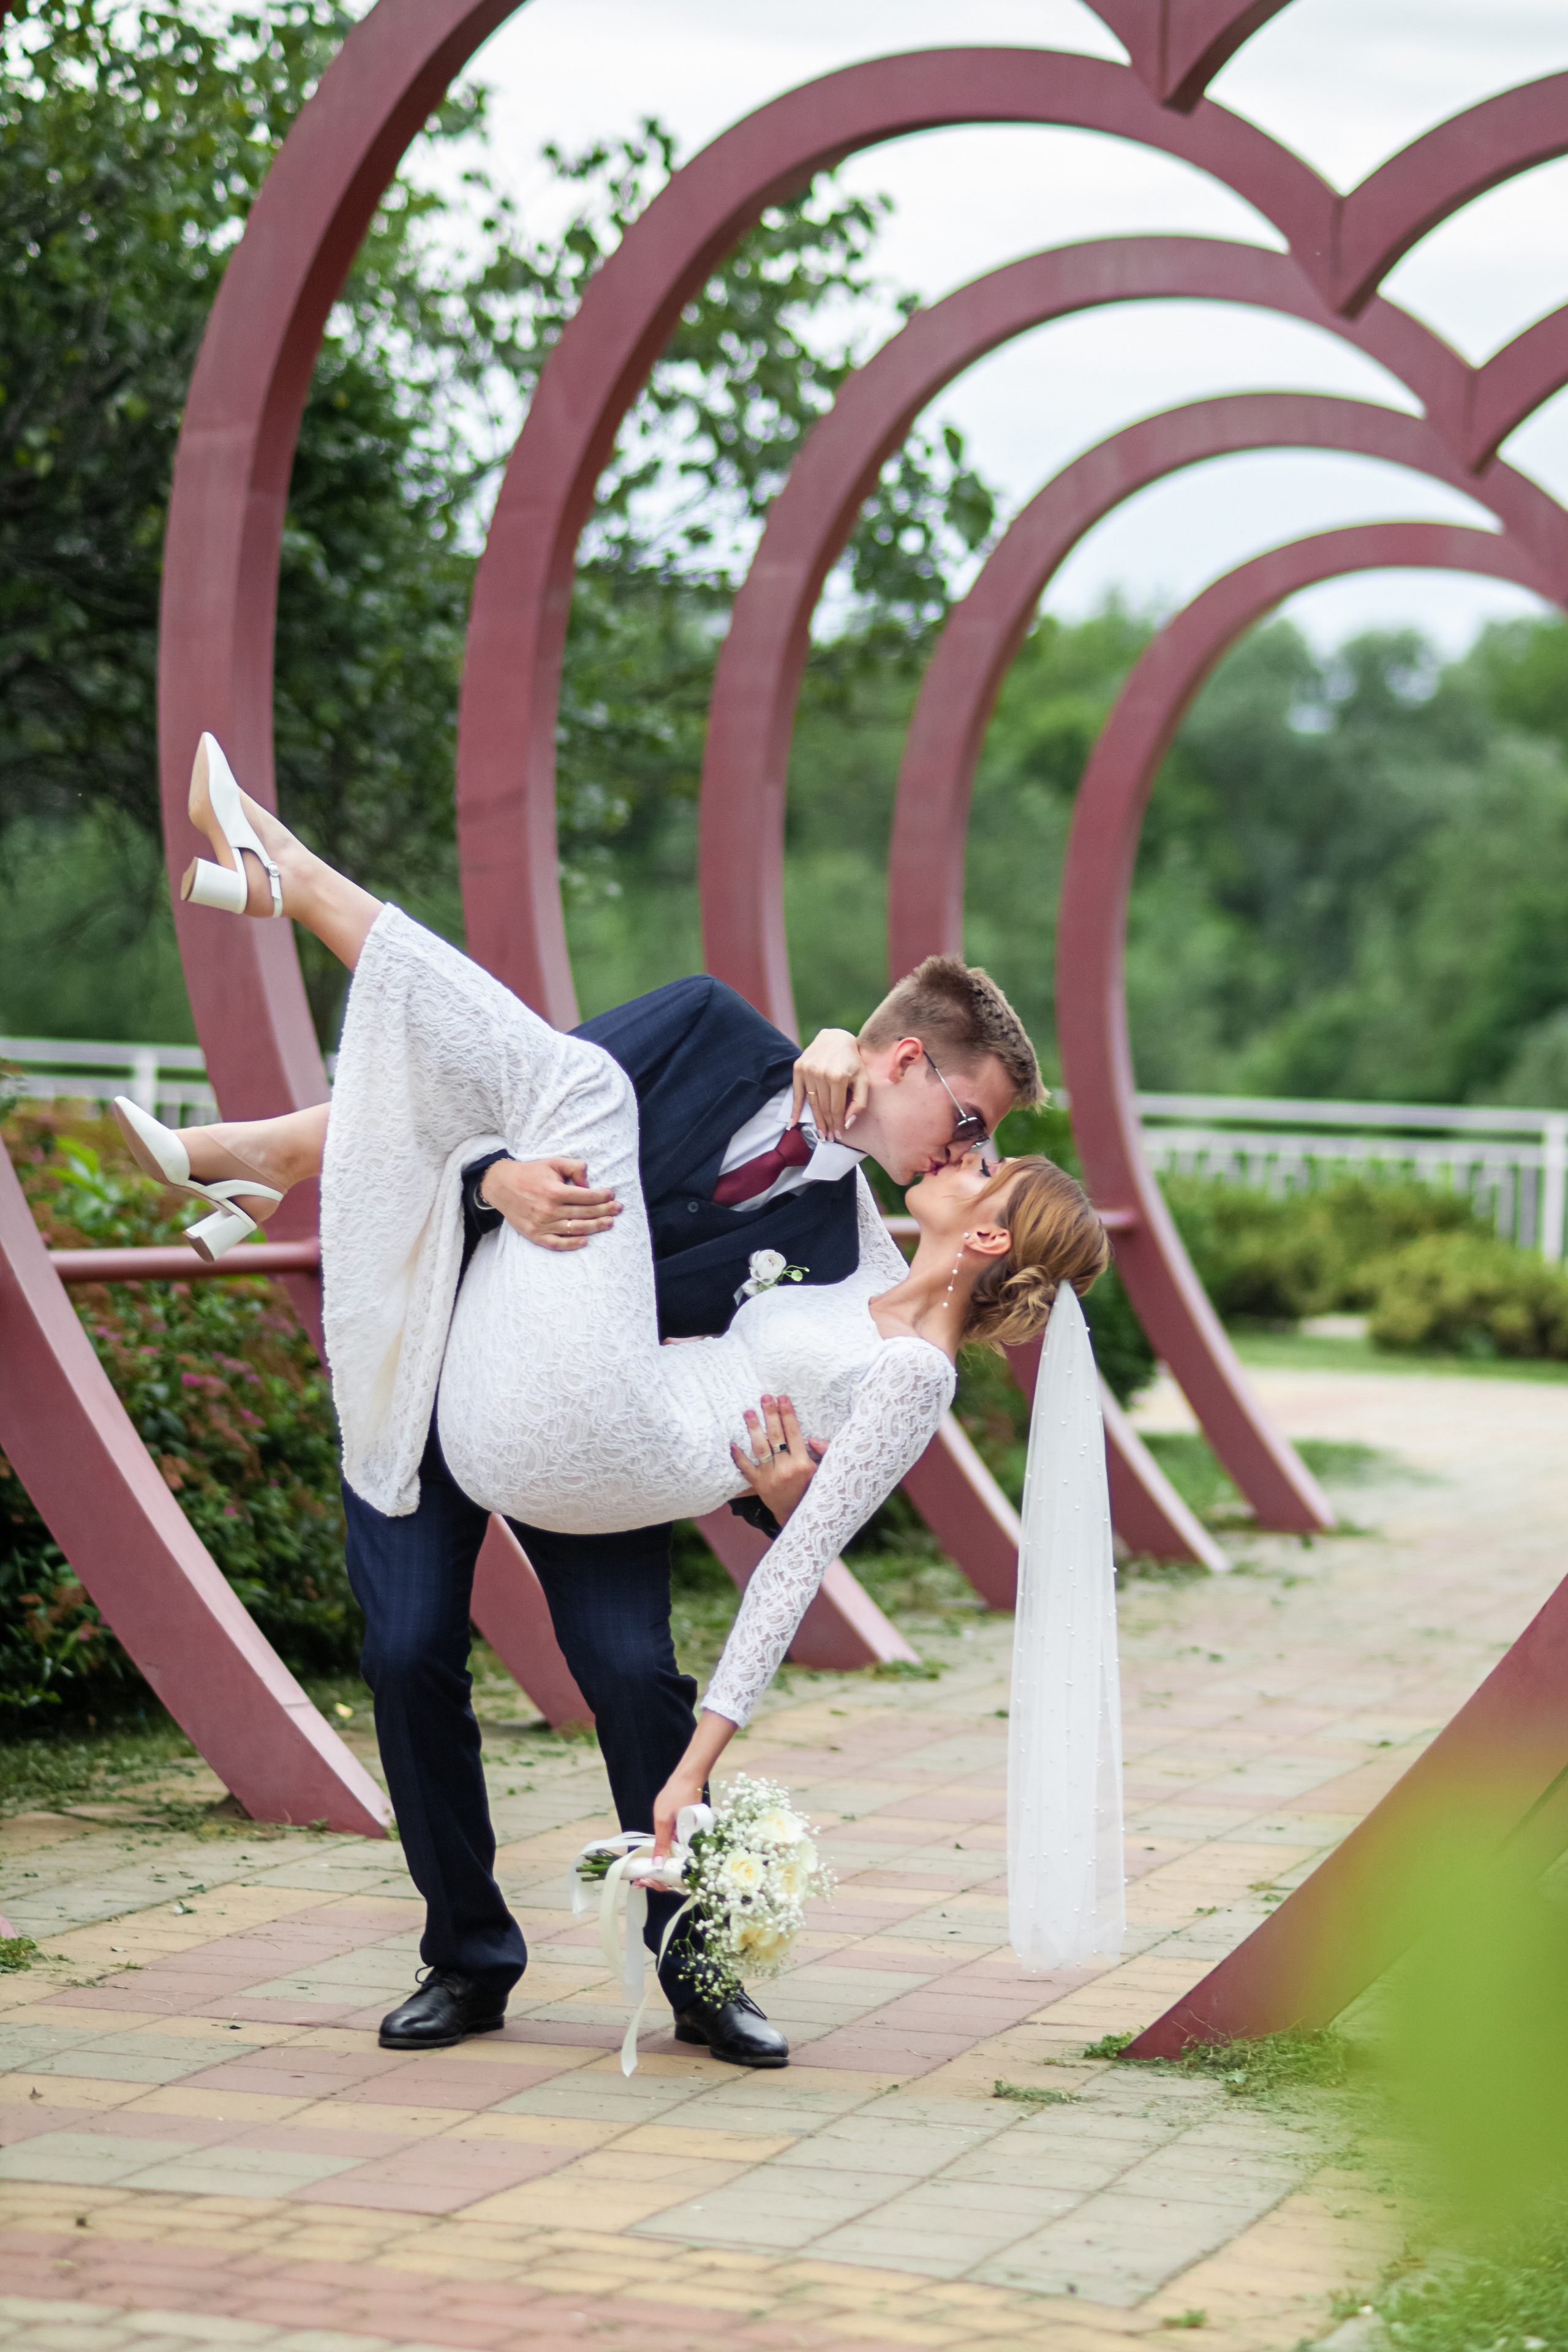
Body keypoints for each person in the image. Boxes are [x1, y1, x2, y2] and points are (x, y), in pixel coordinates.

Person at [121, 736, 1103, 2062]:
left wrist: (787, 1494)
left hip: (603, 1427)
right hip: (446, 1352)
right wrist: (494, 1185)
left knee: (635, 1671)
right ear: (905, 1059)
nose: (965, 1151)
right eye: (968, 1120)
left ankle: (692, 1969)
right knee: (407, 1654)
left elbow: (826, 1433)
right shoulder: (706, 1028)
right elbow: (478, 1098)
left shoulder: (848, 1237)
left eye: (980, 1149)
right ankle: (465, 1958)